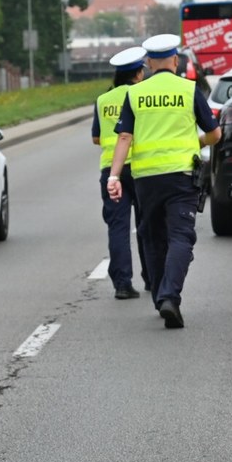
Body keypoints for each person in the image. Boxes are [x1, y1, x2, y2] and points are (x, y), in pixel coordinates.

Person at [107, 34, 221, 329]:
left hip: (146, 179)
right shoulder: (188, 89)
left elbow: (124, 137)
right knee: (181, 237)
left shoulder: (135, 94)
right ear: (175, 60)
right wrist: (196, 141)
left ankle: (161, 296)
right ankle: (170, 296)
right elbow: (215, 134)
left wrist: (114, 175)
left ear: (148, 63)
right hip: (182, 176)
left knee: (152, 237)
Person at [93, 46, 148, 300]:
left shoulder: (103, 100)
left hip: (110, 170)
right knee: (146, 224)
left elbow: (96, 137)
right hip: (140, 167)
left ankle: (123, 285)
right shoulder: (140, 94)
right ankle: (151, 277)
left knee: (118, 227)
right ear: (138, 74)